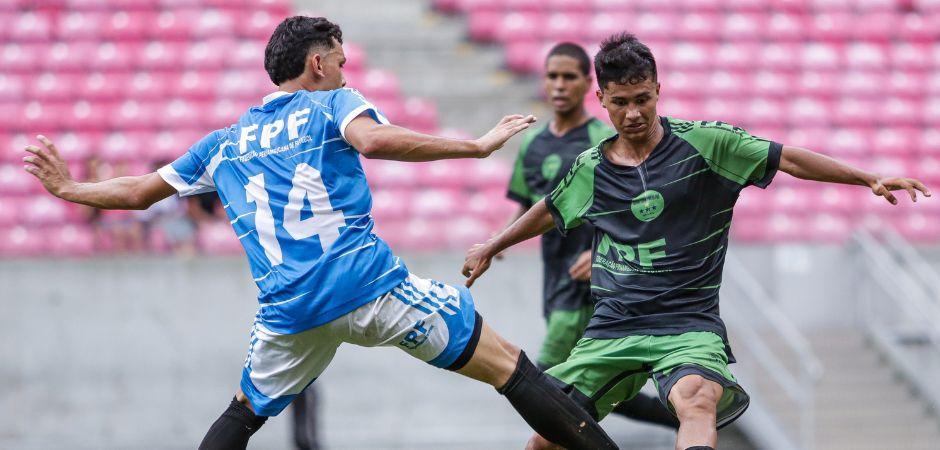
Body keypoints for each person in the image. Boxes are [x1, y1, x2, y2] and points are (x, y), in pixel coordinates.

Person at [22, 16, 618, 450]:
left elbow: (137, 191)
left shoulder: (223, 144)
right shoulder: (332, 102)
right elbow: (374, 141)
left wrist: (71, 190)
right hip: (370, 289)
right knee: (510, 367)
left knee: (241, 416)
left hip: (290, 313)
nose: (342, 68)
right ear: (317, 64)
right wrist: (475, 144)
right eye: (338, 58)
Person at [462, 32, 931, 450]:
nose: (633, 113)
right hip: (613, 326)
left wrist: (866, 176)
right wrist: (492, 244)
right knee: (546, 440)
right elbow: (550, 209)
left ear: (659, 90)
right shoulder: (591, 168)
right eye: (621, 102)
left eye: (643, 99)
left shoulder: (708, 144)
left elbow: (789, 159)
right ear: (601, 98)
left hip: (687, 323)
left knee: (697, 398)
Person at [502, 42, 677, 429]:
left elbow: (638, 205)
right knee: (593, 391)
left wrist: (603, 250)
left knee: (544, 380)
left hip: (595, 281)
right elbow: (534, 201)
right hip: (555, 276)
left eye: (569, 76)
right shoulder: (533, 141)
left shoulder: (605, 137)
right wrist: (502, 239)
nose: (559, 85)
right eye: (552, 76)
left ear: (589, 86)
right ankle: (684, 417)